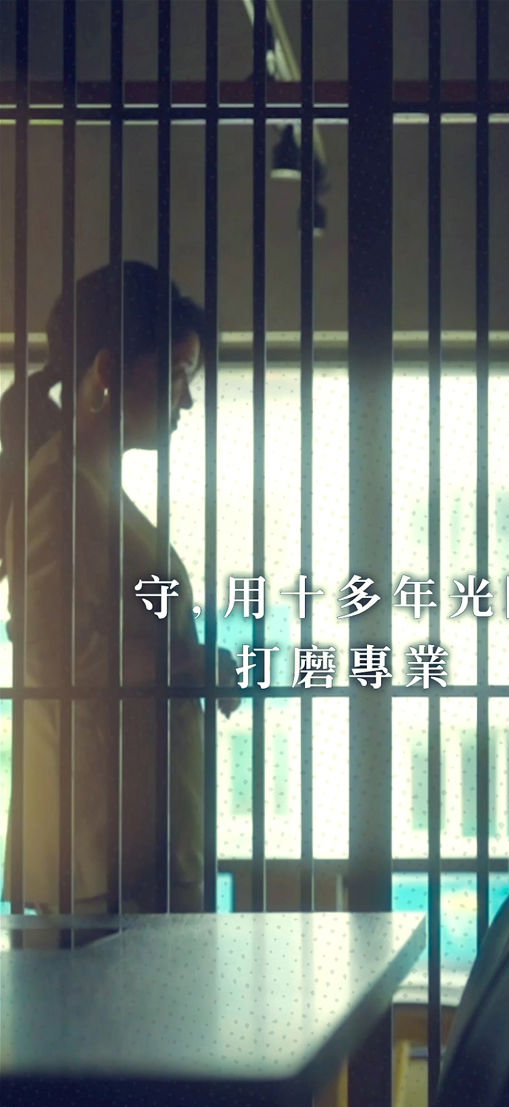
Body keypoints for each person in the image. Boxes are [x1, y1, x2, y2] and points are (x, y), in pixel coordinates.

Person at [0, 261, 238, 917]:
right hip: (96, 851)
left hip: (124, 838)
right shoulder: (61, 490)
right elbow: (55, 657)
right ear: (108, 371)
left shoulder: (93, 489)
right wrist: (188, 663)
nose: (186, 400)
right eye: (177, 375)